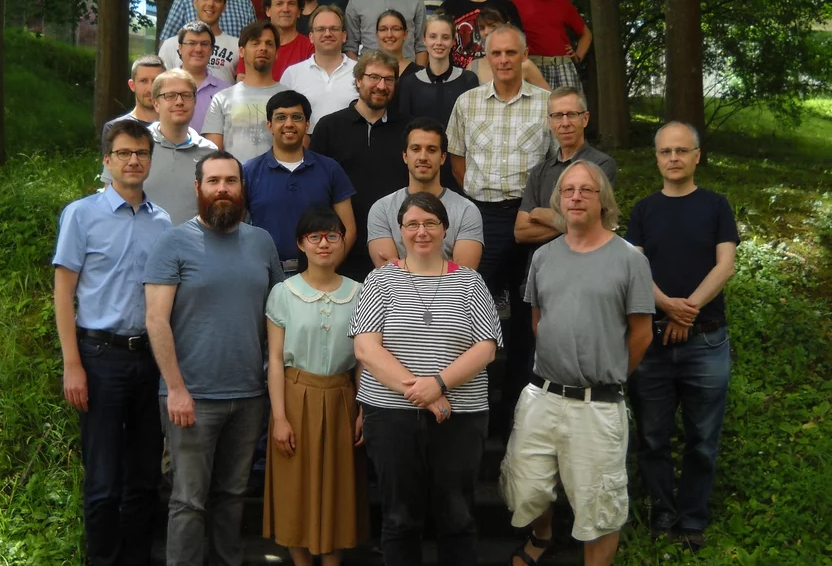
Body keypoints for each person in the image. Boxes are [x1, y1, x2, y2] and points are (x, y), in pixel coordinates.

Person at [500, 160, 654, 566]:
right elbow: (538, 321)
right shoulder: (544, 257)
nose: (576, 197)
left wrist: (609, 375)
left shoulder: (629, 259)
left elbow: (641, 334)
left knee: (599, 504)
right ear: (558, 201)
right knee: (527, 486)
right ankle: (542, 535)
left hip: (597, 403)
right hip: (543, 394)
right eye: (568, 191)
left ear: (603, 200)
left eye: (586, 190)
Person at [144, 150, 285, 566]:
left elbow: (278, 312)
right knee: (188, 500)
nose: (222, 188)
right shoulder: (172, 241)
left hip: (248, 395)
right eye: (213, 181)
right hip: (192, 398)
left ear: (242, 189)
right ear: (198, 188)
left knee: (232, 495)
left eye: (231, 181)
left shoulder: (261, 242)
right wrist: (175, 389)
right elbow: (156, 320)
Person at [350, 192, 502, 566]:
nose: (422, 231)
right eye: (412, 224)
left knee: (457, 517)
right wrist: (422, 392)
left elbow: (486, 348)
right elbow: (367, 349)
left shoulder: (470, 283)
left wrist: (439, 384)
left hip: (460, 417)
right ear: (400, 231)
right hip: (391, 416)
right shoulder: (378, 281)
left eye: (430, 223)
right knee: (400, 518)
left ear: (445, 229)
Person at [54, 119, 172, 566]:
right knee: (103, 480)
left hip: (148, 361)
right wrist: (72, 364)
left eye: (141, 153)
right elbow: (64, 291)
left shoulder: (162, 222)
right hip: (98, 358)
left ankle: (138, 558)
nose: (133, 161)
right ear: (107, 161)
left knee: (143, 477)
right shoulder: (81, 214)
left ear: (149, 161)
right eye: (124, 153)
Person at [626, 121, 739, 553]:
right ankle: (662, 513)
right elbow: (635, 269)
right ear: (656, 158)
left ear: (697, 156)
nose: (673, 158)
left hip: (706, 342)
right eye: (665, 152)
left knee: (702, 439)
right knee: (652, 437)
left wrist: (685, 311)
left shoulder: (716, 205)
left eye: (682, 151)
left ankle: (692, 519)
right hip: (652, 344)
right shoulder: (644, 210)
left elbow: (725, 265)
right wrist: (667, 306)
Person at [447, 24, 553, 427]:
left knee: (530, 316)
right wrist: (479, 202)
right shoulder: (467, 102)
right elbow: (457, 163)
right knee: (470, 311)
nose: (505, 61)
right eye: (497, 54)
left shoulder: (546, 104)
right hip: (483, 217)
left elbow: (558, 165)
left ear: (524, 55)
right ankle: (470, 403)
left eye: (512, 54)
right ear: (486, 58)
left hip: (532, 218)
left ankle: (515, 411)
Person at [263, 207, 369, 565]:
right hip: (295, 398)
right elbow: (275, 359)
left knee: (338, 489)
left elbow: (363, 360)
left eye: (332, 236)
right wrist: (279, 417)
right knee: (295, 488)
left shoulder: (360, 293)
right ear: (301, 244)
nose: (324, 244)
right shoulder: (283, 292)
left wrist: (362, 410)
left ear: (342, 242)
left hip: (342, 399)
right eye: (315, 237)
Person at [309, 50, 407, 282]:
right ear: (358, 80)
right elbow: (315, 188)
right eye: (374, 77)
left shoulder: (408, 129)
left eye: (389, 79)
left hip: (395, 249)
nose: (381, 86)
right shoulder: (329, 127)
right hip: (342, 249)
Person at [243, 90, 357, 277]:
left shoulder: (330, 169)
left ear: (307, 124)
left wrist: (325, 270)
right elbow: (237, 228)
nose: (289, 124)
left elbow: (349, 229)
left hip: (318, 276)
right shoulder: (249, 171)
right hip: (264, 276)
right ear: (270, 125)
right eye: (281, 117)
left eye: (296, 117)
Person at [102, 69, 217, 225]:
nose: (179, 102)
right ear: (156, 103)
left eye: (186, 95)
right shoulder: (131, 147)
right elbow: (110, 203)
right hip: (138, 244)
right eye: (170, 96)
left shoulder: (210, 153)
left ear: (195, 101)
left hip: (189, 246)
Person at [367, 117, 483, 269]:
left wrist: (400, 266)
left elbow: (463, 278)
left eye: (431, 150)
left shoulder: (466, 210)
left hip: (448, 293)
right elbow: (387, 274)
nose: (423, 157)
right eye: (415, 149)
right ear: (405, 156)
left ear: (442, 158)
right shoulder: (381, 209)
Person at [515, 86, 616, 251]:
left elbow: (592, 220)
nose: (565, 123)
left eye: (571, 114)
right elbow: (520, 232)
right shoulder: (539, 172)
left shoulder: (601, 165)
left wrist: (538, 213)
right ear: (550, 122)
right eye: (557, 116)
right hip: (542, 268)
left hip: (586, 262)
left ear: (585, 119)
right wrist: (569, 220)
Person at [398, 14, 479, 189]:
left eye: (445, 37)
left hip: (459, 167)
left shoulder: (468, 80)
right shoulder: (410, 83)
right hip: (422, 167)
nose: (439, 43)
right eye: (433, 36)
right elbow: (404, 129)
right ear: (424, 40)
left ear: (453, 41)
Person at [202, 20, 285, 164]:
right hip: (234, 182)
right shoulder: (222, 99)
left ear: (277, 53)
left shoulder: (289, 98)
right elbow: (214, 154)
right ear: (241, 51)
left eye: (269, 44)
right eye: (255, 43)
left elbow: (299, 151)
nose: (263, 48)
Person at [511, 0, 592, 91]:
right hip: (531, 66)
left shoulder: (563, 3)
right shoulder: (516, 3)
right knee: (535, 111)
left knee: (571, 109)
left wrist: (577, 56)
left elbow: (586, 34)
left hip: (563, 66)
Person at [279, 5, 358, 138]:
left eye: (334, 29)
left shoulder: (360, 72)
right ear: (311, 37)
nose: (327, 34)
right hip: (307, 152)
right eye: (320, 29)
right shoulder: (292, 74)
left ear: (344, 36)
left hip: (352, 150)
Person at [159, 0, 239, 85]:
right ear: (195, 2)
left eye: (217, 0)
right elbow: (159, 86)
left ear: (224, 7)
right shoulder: (171, 44)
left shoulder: (237, 46)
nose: (211, 3)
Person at [235, 0, 314, 81]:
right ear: (268, 10)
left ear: (299, 11)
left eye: (291, 4)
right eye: (279, 4)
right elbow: (242, 83)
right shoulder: (252, 46)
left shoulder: (310, 48)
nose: (285, 9)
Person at [164, 21, 231, 133]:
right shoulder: (163, 86)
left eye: (204, 44)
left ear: (212, 50)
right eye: (191, 43)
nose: (198, 49)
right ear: (180, 48)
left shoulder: (226, 92)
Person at [469, 8, 550, 90]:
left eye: (493, 26)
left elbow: (548, 97)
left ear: (507, 25)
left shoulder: (525, 65)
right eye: (482, 28)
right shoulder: (472, 66)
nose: (486, 32)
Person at [100, 55, 165, 149]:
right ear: (132, 85)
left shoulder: (175, 126)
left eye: (156, 81)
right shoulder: (114, 128)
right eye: (143, 81)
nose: (150, 89)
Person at [376, 9, 423, 80]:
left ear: (405, 34)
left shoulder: (419, 74)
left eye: (395, 29)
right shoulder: (367, 71)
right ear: (377, 34)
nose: (389, 35)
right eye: (383, 29)